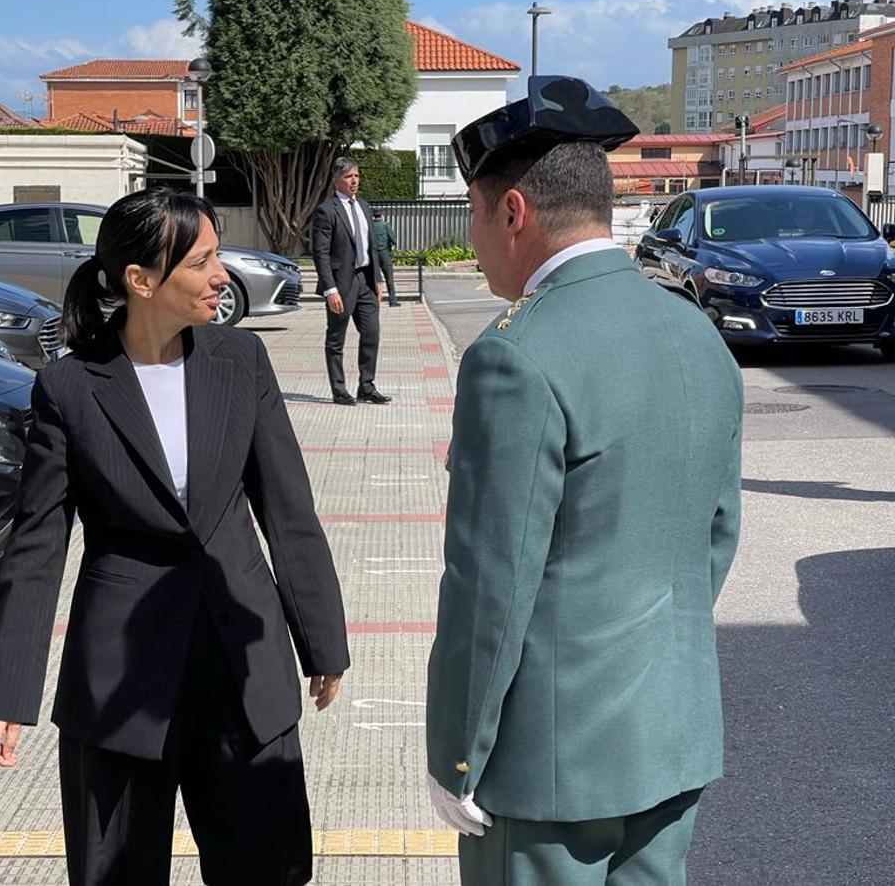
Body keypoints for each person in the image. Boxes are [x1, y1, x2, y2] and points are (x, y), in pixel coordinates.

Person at [425, 76, 744, 885]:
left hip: (549, 767)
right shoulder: (694, 331)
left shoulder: (514, 355)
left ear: (513, 213)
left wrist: (457, 757)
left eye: (473, 213)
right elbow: (716, 532)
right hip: (670, 734)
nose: (474, 237)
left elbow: (488, 585)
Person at [0, 187, 350, 886]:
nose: (222, 276)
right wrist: (10, 691)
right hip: (120, 682)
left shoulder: (239, 361)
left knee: (267, 870)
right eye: (203, 260)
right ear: (141, 280)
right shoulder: (70, 387)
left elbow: (287, 509)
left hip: (244, 666)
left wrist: (322, 640)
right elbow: (36, 548)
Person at [311, 157, 390, 405]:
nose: (354, 180)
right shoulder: (326, 210)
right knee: (336, 339)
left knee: (371, 334)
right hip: (341, 284)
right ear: (336, 180)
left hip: (365, 281)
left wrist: (377, 280)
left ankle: (366, 386)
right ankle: (339, 389)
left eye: (356, 175)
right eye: (348, 176)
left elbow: (373, 248)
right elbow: (320, 253)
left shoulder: (364, 207)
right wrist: (329, 289)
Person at [371, 209, 400, 307]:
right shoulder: (385, 225)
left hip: (373, 255)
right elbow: (394, 240)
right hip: (384, 254)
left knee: (373, 278)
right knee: (389, 278)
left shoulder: (370, 226)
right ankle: (392, 301)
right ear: (381, 215)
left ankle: (374, 301)